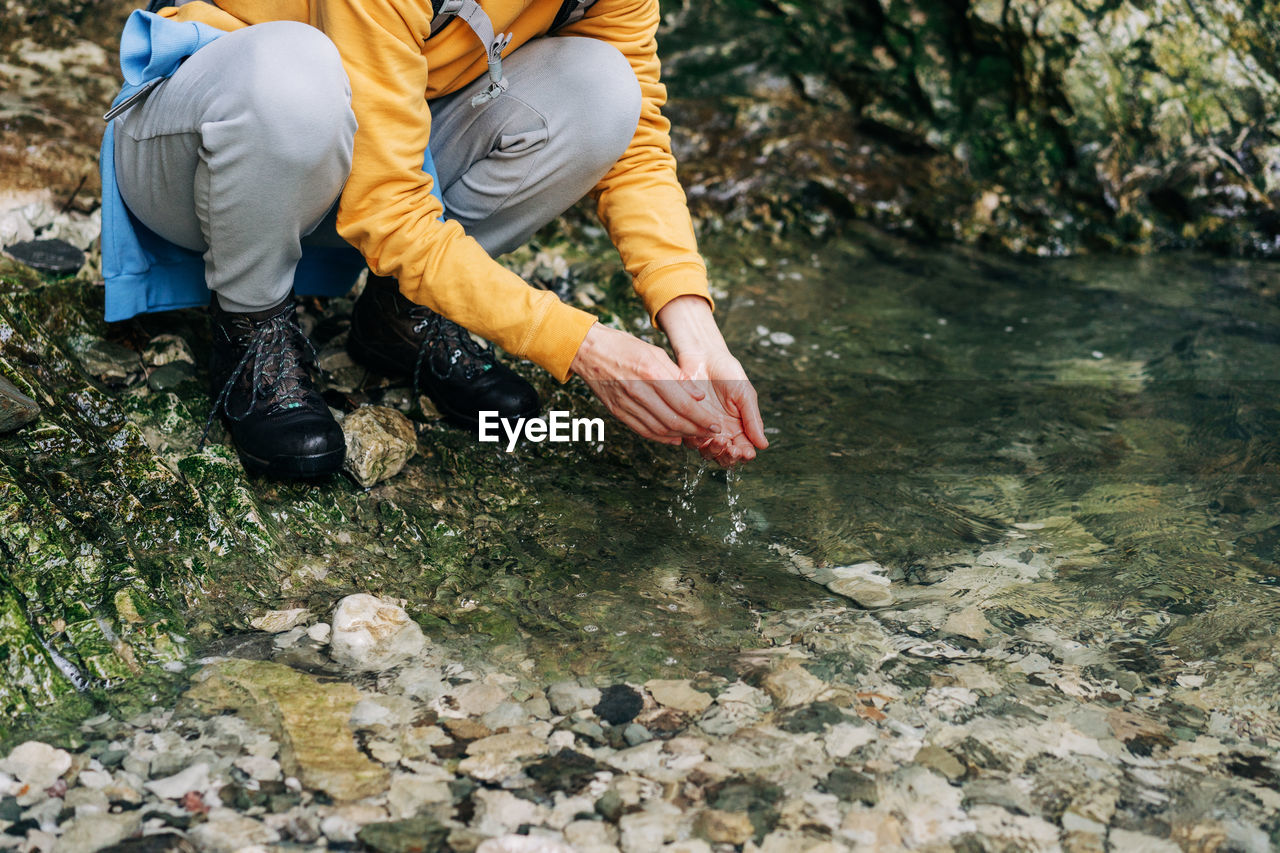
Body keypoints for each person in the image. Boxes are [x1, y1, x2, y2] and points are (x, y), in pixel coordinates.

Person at [101, 0, 768, 478]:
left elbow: (637, 150)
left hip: (359, 147)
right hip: (198, 148)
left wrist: (696, 329)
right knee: (294, 72)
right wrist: (583, 347)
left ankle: (402, 313)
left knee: (604, 92)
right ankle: (253, 326)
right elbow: (389, 212)